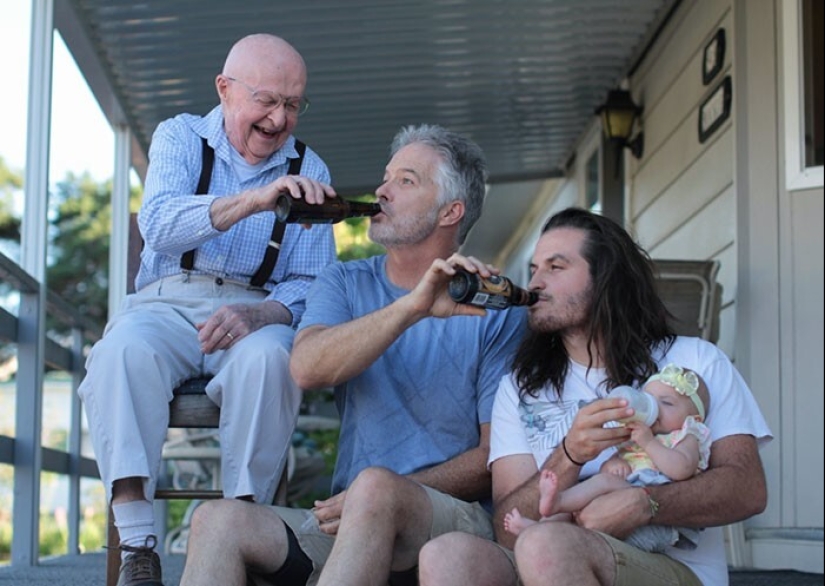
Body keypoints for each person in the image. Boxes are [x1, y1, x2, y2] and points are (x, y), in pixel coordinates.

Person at [178, 124, 528, 586]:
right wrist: (411, 308)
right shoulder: (344, 282)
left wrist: (381, 494)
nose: (381, 191)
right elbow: (306, 367)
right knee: (216, 520)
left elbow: (493, 458)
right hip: (348, 527)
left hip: (448, 525)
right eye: (386, 177)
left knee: (375, 488)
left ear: (451, 211)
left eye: (406, 180)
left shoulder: (494, 308)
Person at [77, 33, 336, 586]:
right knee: (119, 351)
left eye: (292, 104)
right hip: (166, 299)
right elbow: (160, 224)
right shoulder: (179, 136)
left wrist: (261, 315)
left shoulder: (311, 166)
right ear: (224, 89)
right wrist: (257, 199)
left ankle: (241, 528)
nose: (278, 118)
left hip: (253, 311)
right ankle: (138, 544)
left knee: (274, 359)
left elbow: (312, 281)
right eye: (266, 100)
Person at [418, 207, 772, 586]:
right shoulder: (520, 388)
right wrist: (569, 456)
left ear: (605, 279)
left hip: (670, 568)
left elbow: (746, 489)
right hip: (548, 556)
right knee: (447, 554)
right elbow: (508, 529)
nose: (536, 283)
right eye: (534, 269)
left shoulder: (693, 361)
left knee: (546, 545)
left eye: (556, 267)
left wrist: (646, 503)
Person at [503, 363, 712, 554]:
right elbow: (612, 465)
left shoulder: (686, 436)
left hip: (656, 513)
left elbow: (682, 469)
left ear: (694, 418)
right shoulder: (640, 434)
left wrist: (649, 443)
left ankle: (557, 504)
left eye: (666, 403)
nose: (654, 408)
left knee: (598, 498)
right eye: (649, 399)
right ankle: (539, 528)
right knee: (583, 499)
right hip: (623, 492)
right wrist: (614, 464)